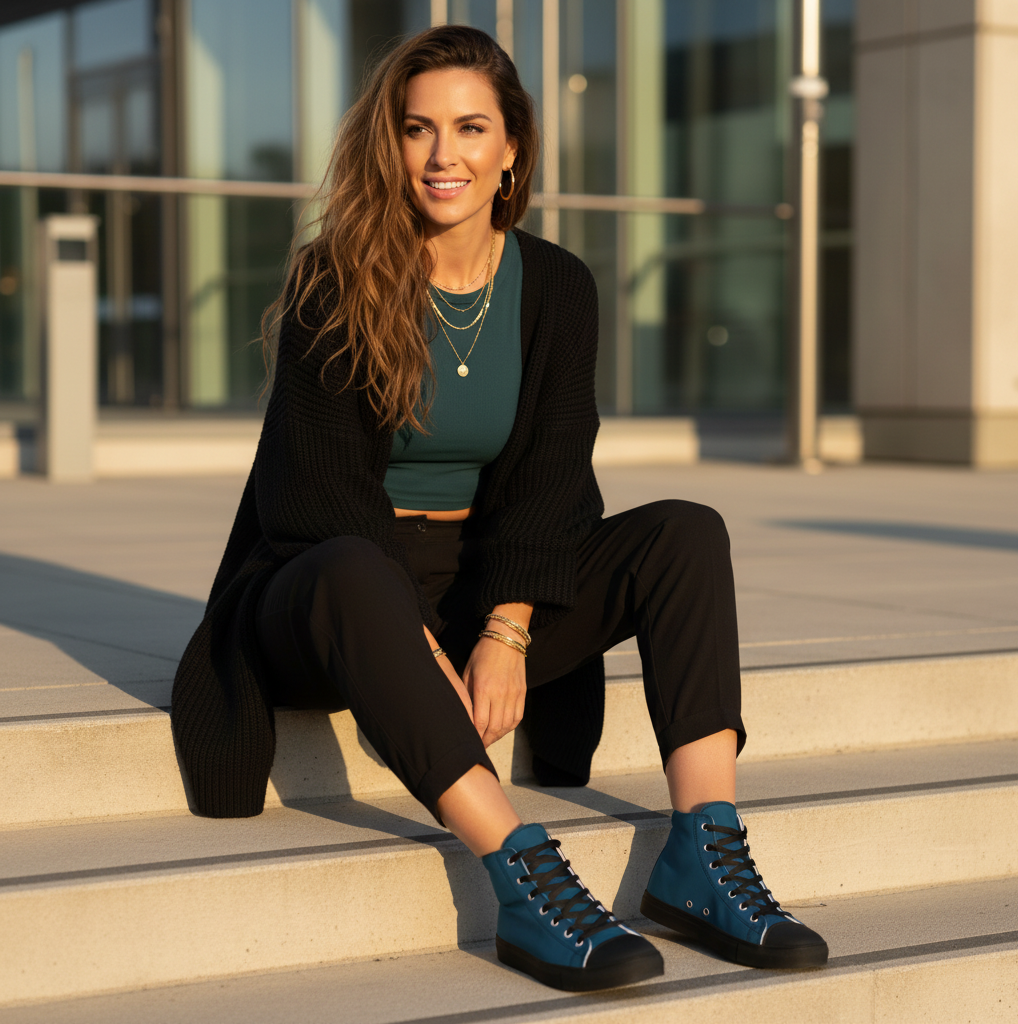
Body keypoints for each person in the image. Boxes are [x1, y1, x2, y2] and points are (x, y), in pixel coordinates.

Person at [171, 25, 827, 993]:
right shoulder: (334, 276)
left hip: (479, 580)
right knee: (357, 568)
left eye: (470, 127)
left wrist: (507, 627)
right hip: (326, 588)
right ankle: (520, 864)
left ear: (512, 145)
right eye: (417, 128)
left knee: (686, 529)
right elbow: (311, 500)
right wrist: (421, 643)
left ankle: (704, 853)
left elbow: (551, 479)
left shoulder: (556, 285)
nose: (444, 156)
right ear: (388, 145)